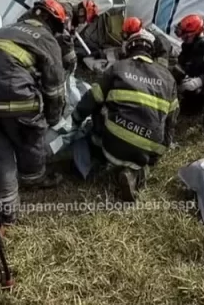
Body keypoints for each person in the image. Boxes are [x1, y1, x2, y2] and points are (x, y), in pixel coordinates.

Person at [0, 0, 69, 224]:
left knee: (0, 150)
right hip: (14, 99)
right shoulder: (46, 39)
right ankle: (33, 178)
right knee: (29, 137)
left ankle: (6, 211)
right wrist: (52, 119)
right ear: (49, 21)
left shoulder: (6, 29)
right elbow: (55, 88)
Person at [70, 29, 179, 201]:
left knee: (102, 105)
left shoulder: (118, 67)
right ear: (151, 50)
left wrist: (75, 119)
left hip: (113, 144)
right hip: (146, 148)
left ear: (128, 49)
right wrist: (157, 154)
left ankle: (98, 157)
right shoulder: (168, 77)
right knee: (156, 123)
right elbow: (171, 122)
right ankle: (137, 172)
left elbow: (92, 98)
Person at [19, 0, 97, 76]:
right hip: (30, 34)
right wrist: (72, 63)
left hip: (27, 30)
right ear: (81, 12)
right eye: (84, 19)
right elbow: (63, 38)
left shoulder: (70, 17)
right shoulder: (67, 13)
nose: (83, 22)